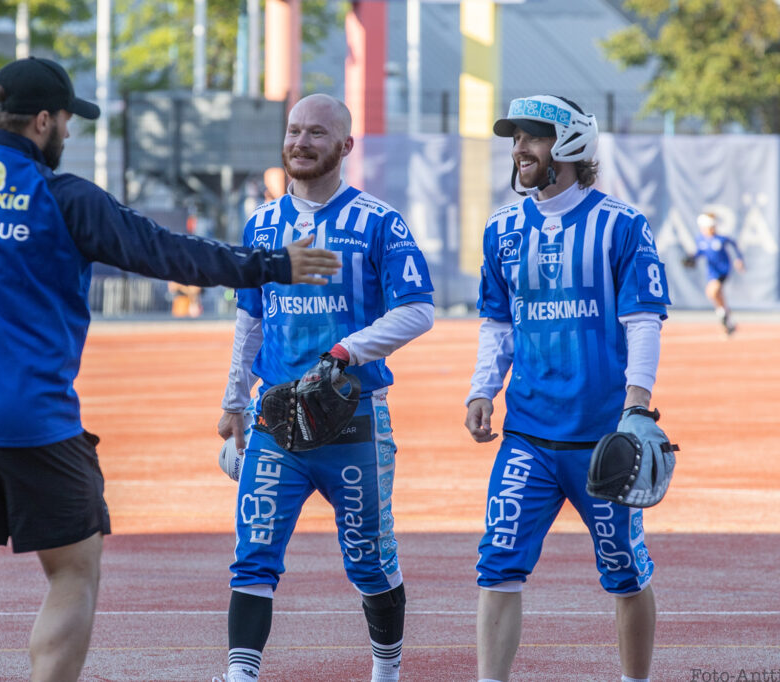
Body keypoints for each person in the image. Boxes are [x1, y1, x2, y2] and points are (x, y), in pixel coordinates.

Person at [0, 57, 340, 682]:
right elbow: (168, 253)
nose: (68, 132)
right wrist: (272, 265)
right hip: (35, 421)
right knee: (74, 570)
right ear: (42, 122)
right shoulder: (65, 200)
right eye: (65, 121)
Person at [214, 94, 435, 682]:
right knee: (253, 555)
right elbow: (250, 318)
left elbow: (418, 310)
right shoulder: (262, 224)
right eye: (294, 131)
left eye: (316, 133)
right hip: (274, 420)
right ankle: (240, 677)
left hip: (354, 423)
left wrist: (346, 351)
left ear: (345, 145)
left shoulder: (380, 222)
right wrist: (234, 400)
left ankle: (385, 672)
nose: (301, 142)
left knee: (370, 560)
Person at [465, 95, 671, 682]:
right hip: (527, 435)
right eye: (515, 139)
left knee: (625, 572)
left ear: (572, 143)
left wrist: (637, 408)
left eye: (533, 137)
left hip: (603, 441)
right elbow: (497, 323)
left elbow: (643, 321)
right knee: (497, 566)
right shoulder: (502, 229)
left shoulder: (621, 225)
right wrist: (482, 389)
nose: (519, 149)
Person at [685, 211, 744, 334]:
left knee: (712, 292)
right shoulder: (700, 240)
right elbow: (699, 252)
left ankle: (722, 315)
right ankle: (727, 319)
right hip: (711, 272)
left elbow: (734, 245)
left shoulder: (720, 239)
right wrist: (691, 258)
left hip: (723, 270)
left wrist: (739, 259)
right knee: (717, 296)